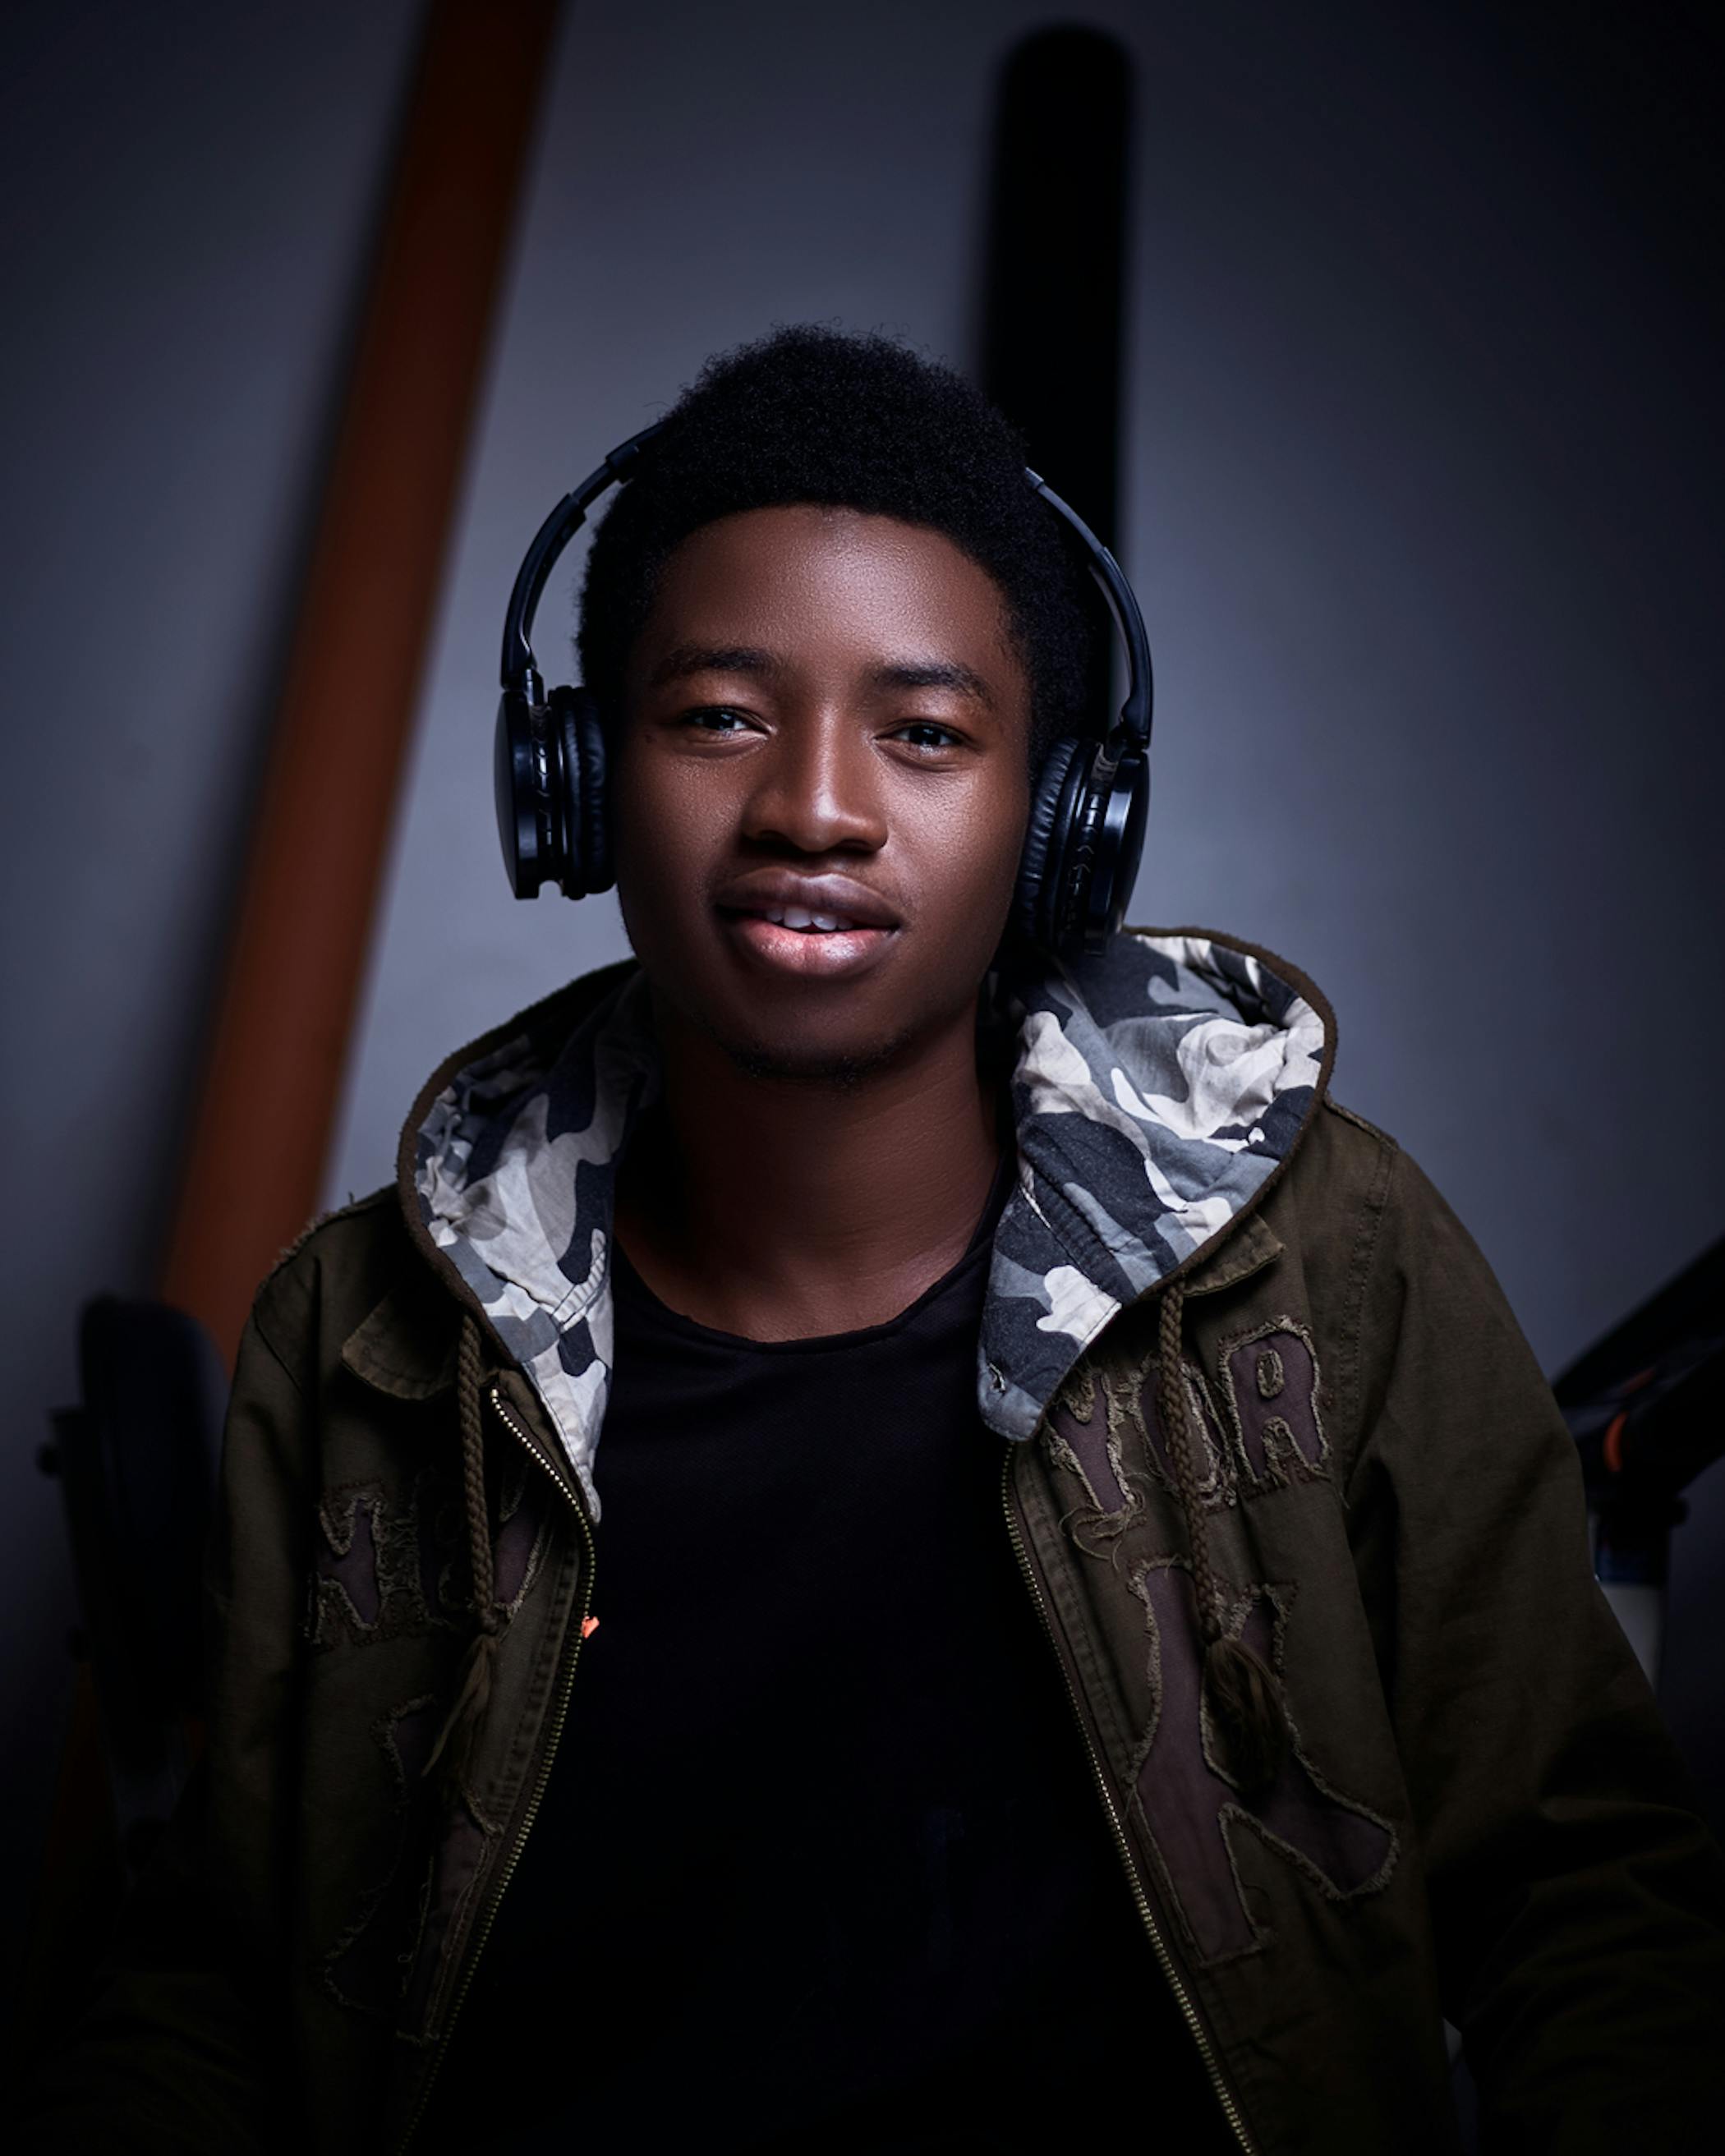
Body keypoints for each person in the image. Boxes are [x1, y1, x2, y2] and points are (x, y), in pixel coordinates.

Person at [26, 327, 1725, 2154]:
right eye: (719, 715)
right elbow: (216, 1981)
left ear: (1059, 822)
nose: (816, 809)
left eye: (924, 733)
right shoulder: (362, 1336)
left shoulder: (1327, 1263)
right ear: (576, 781)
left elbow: (1587, 1908)